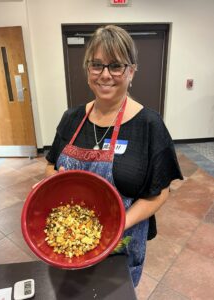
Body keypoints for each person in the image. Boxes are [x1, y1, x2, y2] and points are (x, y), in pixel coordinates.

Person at [45, 25, 183, 287]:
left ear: (131, 71)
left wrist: (119, 224)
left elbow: (160, 191)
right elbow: (51, 166)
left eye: (116, 66)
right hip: (70, 239)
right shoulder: (71, 118)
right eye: (97, 65)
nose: (105, 75)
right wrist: (52, 183)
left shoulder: (149, 125)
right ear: (88, 70)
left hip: (121, 244)